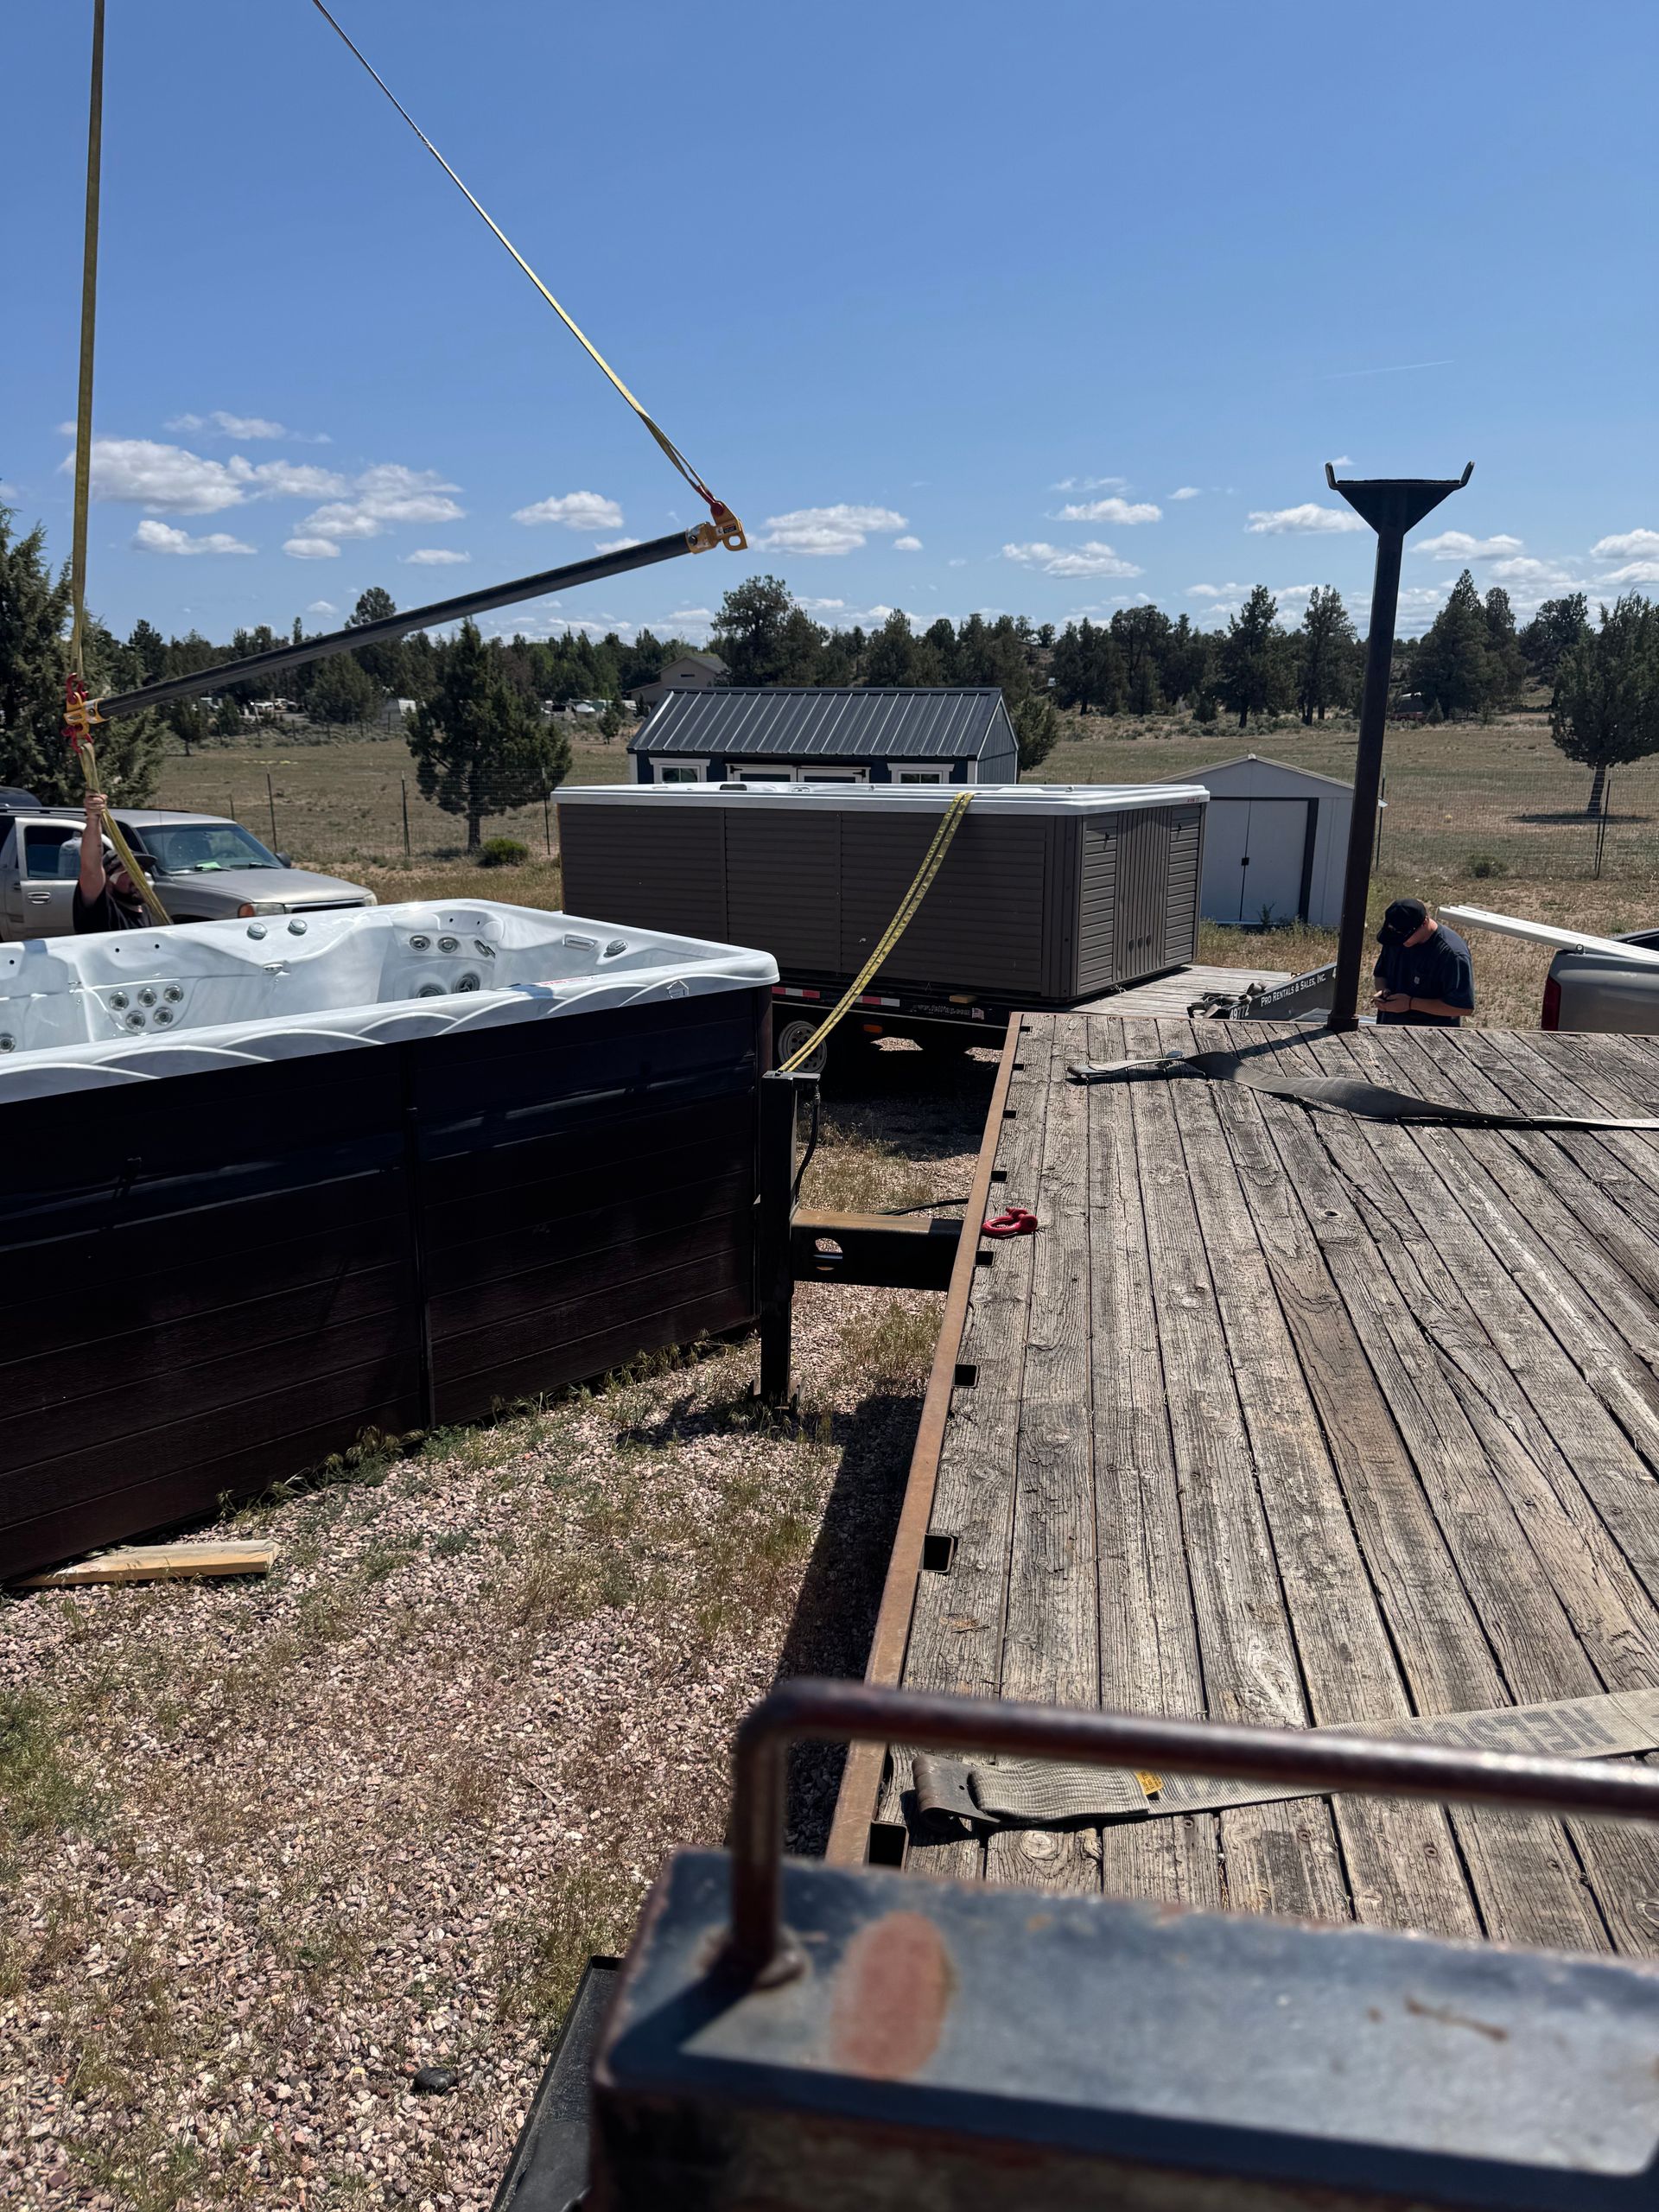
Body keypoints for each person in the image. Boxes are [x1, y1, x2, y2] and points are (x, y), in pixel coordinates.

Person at [1371, 896, 1475, 1027]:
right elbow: (1381, 974)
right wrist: (1384, 992)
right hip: (1388, 1031)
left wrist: (1410, 1004)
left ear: (1424, 923)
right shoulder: (1395, 940)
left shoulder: (1452, 954)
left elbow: (1463, 1007)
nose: (1400, 943)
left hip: (1431, 1039)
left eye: (1404, 938)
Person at [73, 792, 148, 933]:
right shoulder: (102, 911)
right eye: (129, 872)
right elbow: (91, 869)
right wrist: (93, 818)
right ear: (107, 881)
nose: (138, 878)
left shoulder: (147, 910)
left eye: (140, 871)